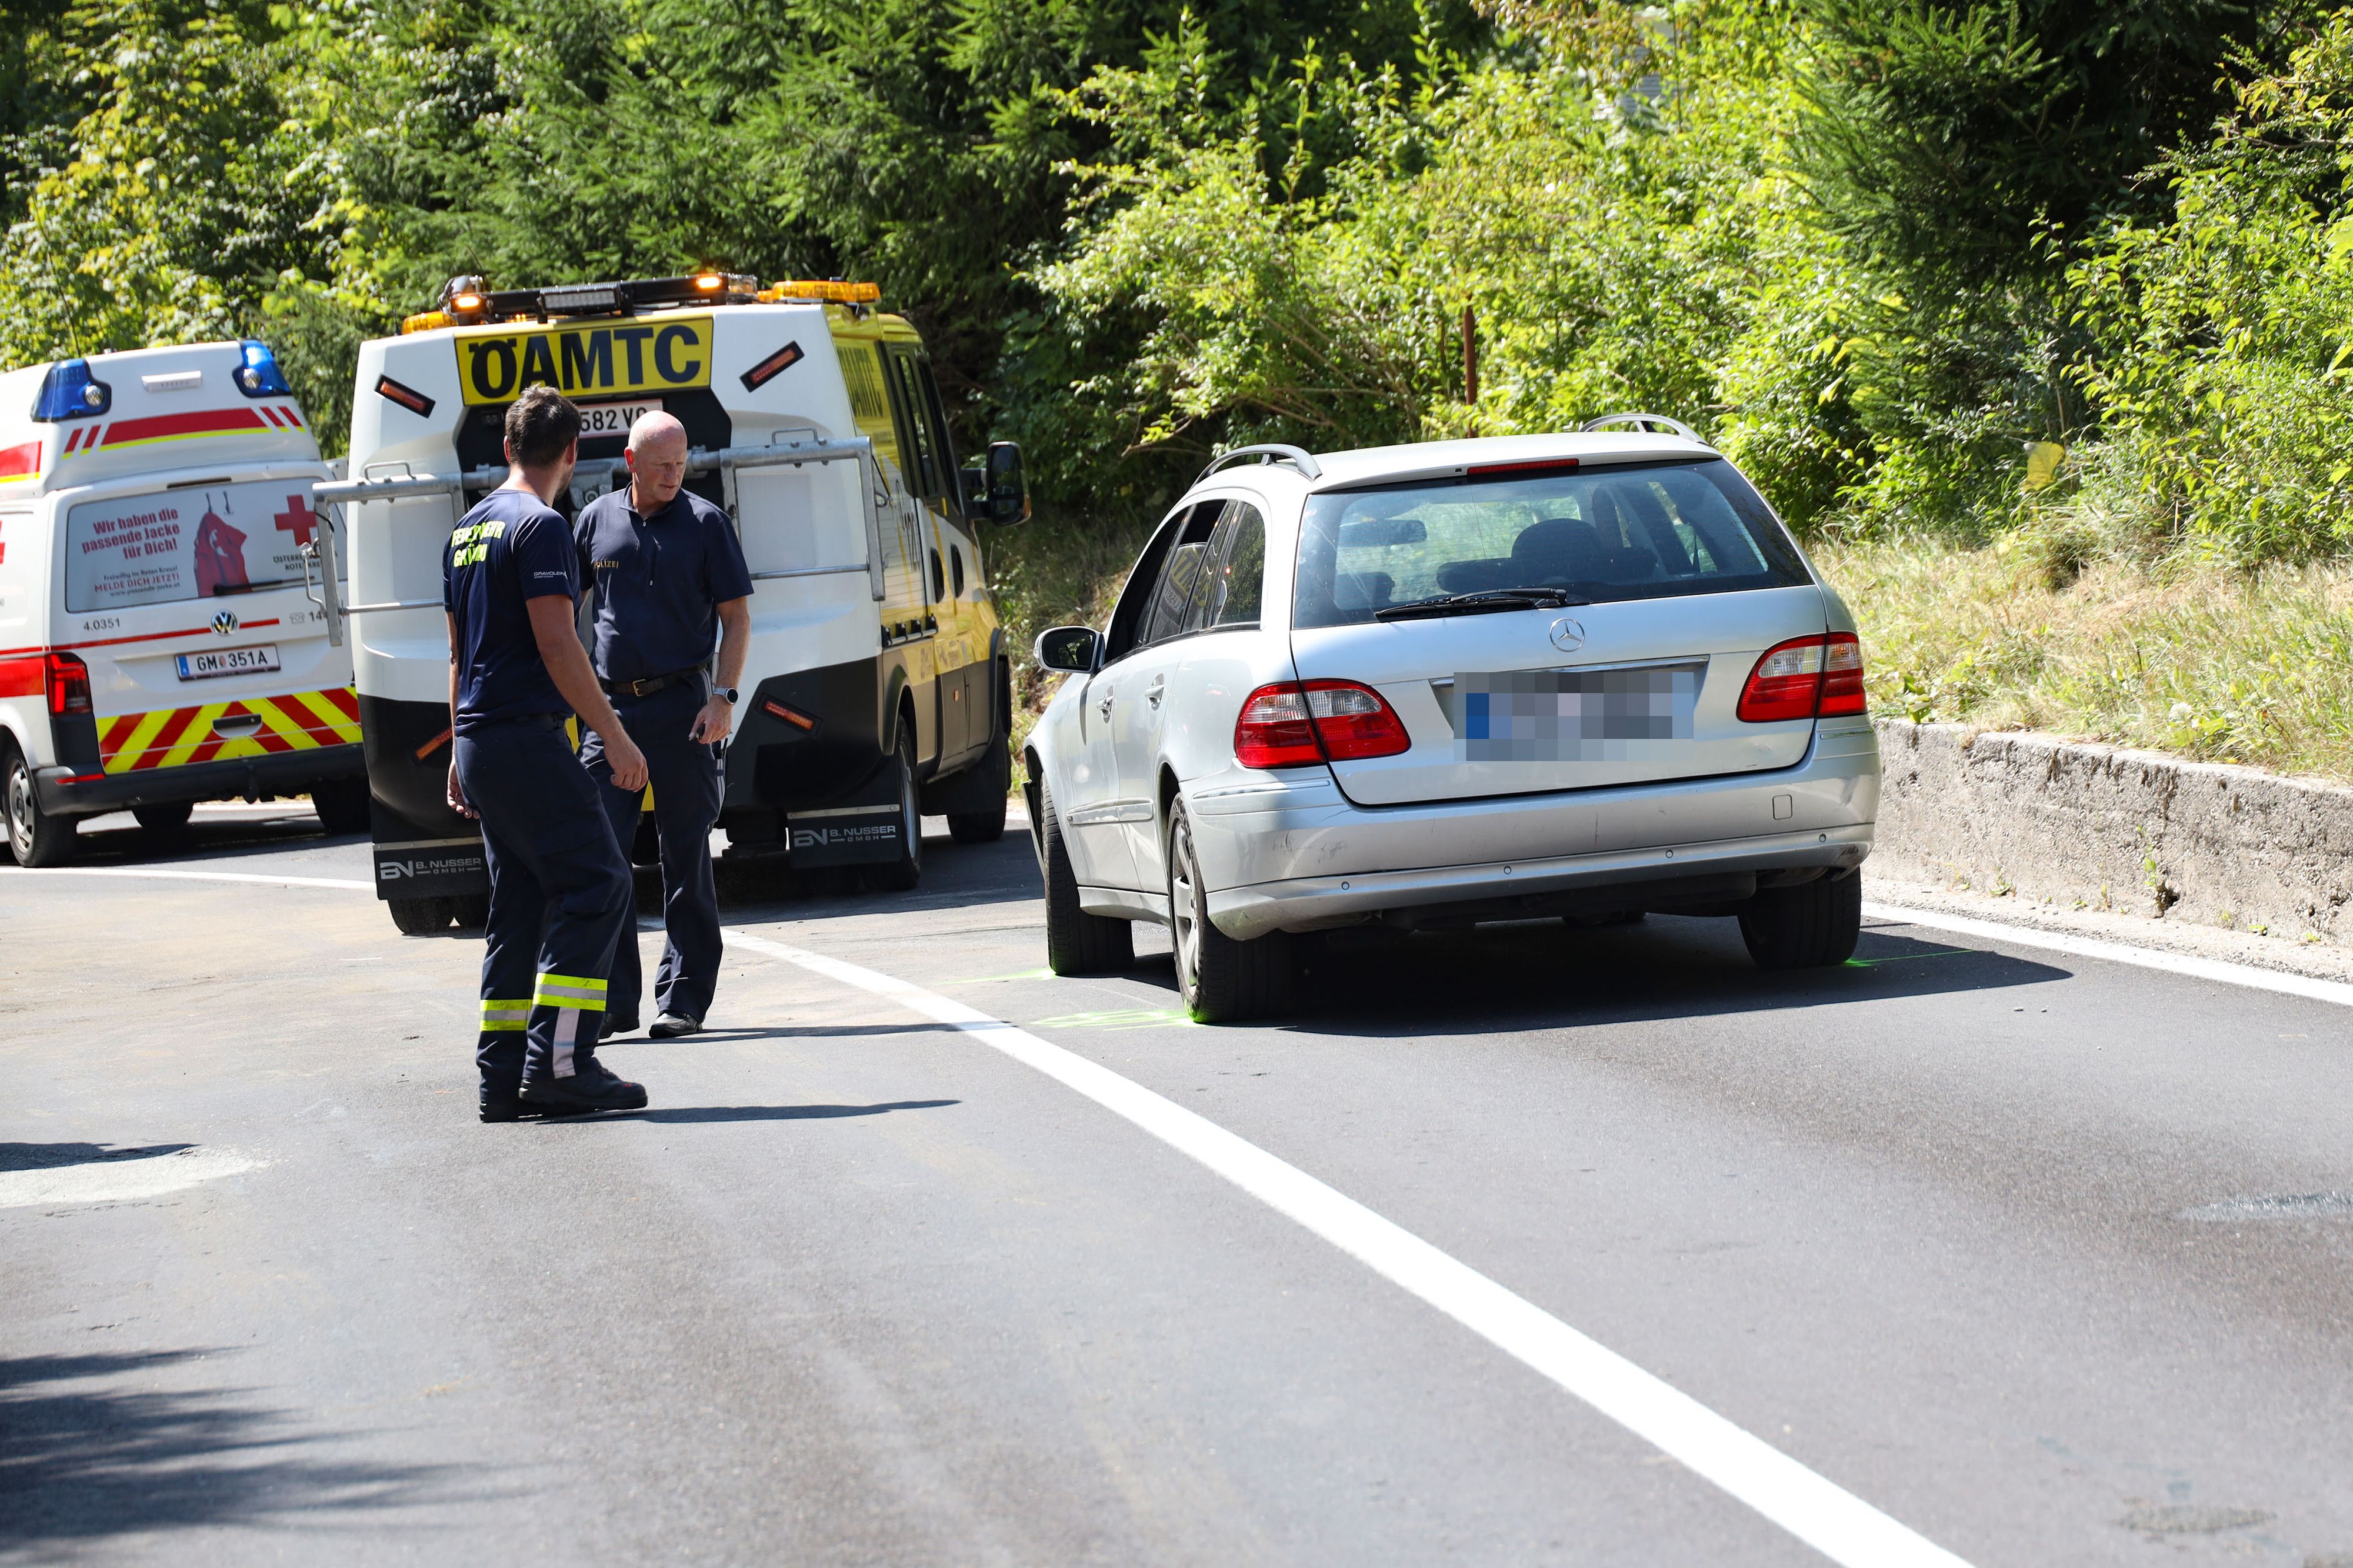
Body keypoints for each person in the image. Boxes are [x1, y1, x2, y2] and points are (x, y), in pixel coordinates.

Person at [445, 385, 652, 1120]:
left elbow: (458, 652)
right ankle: (561, 1064)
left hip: (480, 738)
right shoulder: (541, 526)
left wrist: (457, 747)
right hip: (521, 735)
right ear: (571, 453)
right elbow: (559, 644)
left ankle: (502, 1077)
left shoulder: (466, 530)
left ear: (507, 447)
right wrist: (615, 735)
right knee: (598, 882)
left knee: (521, 903)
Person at [573, 410, 752, 1040]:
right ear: (631, 463)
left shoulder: (707, 524)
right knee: (600, 855)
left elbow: (736, 617)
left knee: (685, 855)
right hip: (611, 713)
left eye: (681, 464)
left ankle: (684, 1000)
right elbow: (562, 613)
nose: (674, 475)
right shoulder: (594, 521)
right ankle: (612, 1001)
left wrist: (723, 698)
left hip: (683, 708)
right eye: (661, 466)